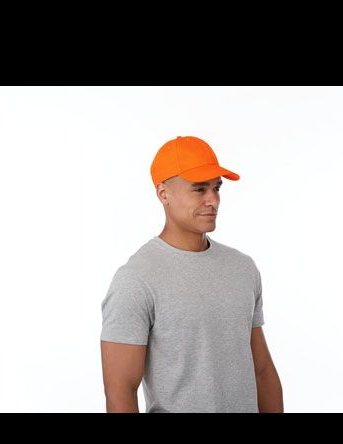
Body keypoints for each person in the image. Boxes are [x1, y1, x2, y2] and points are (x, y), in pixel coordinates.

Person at [100, 135, 283, 413]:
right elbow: (119, 392)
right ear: (163, 193)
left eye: (216, 188)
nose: (213, 200)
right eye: (199, 189)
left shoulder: (242, 268)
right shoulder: (136, 280)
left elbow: (262, 370)